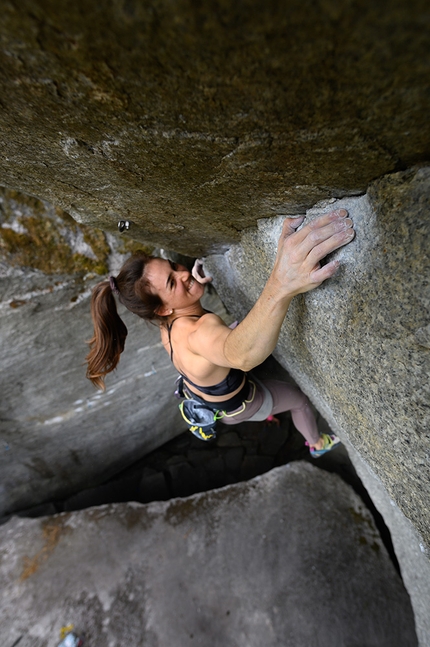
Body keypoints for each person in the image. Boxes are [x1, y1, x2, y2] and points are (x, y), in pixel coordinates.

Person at [86, 208, 355, 456]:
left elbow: (211, 344)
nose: (183, 274)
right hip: (243, 403)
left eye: (174, 267)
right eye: (172, 282)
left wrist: (191, 292)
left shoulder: (168, 326)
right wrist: (282, 282)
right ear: (162, 310)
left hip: (211, 399)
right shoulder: (199, 333)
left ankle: (268, 413)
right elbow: (242, 354)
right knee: (300, 402)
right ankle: (317, 444)